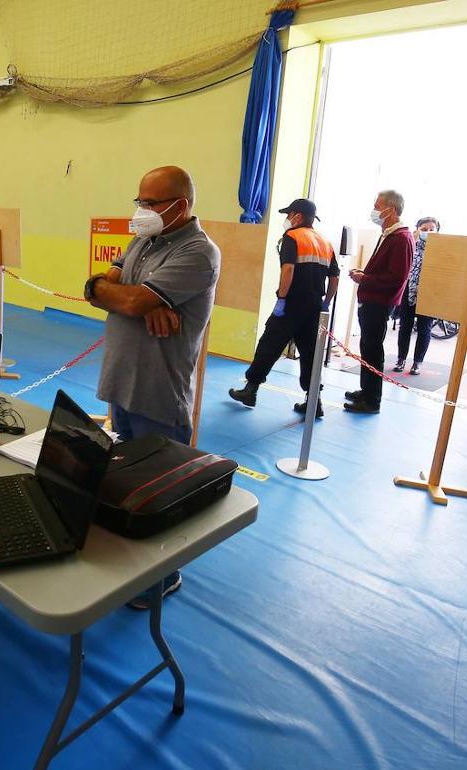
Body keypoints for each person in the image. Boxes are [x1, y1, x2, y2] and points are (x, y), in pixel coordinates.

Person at [86, 165, 220, 609]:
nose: (142, 209)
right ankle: (133, 562)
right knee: (125, 480)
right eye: (139, 200)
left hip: (159, 389)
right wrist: (121, 294)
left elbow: (129, 295)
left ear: (181, 205)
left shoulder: (198, 253)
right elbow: (106, 284)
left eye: (152, 202)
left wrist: (135, 299)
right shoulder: (144, 239)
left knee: (162, 489)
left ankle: (161, 577)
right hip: (124, 379)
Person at [228, 198, 338, 416]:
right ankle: (314, 401)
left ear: (297, 216)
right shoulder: (325, 243)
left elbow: (288, 270)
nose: (287, 219)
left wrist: (282, 299)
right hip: (314, 306)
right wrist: (325, 303)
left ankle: (250, 390)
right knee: (310, 353)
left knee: (269, 345)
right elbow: (334, 278)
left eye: (289, 215)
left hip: (291, 304)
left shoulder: (292, 237)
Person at [345, 190, 413, 414]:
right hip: (371, 300)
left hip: (379, 303)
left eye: (377, 206)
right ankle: (367, 391)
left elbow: (396, 278)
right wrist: (365, 274)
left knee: (373, 349)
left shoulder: (401, 238)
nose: (374, 211)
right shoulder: (390, 235)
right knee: (367, 347)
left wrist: (366, 279)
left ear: (391, 210)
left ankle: (372, 399)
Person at [393, 216, 440, 376]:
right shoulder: (411, 245)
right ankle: (401, 359)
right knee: (404, 327)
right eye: (424, 229)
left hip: (430, 293)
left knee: (424, 329)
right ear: (418, 229)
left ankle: (417, 362)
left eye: (432, 229)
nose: (428, 232)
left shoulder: (442, 250)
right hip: (408, 291)